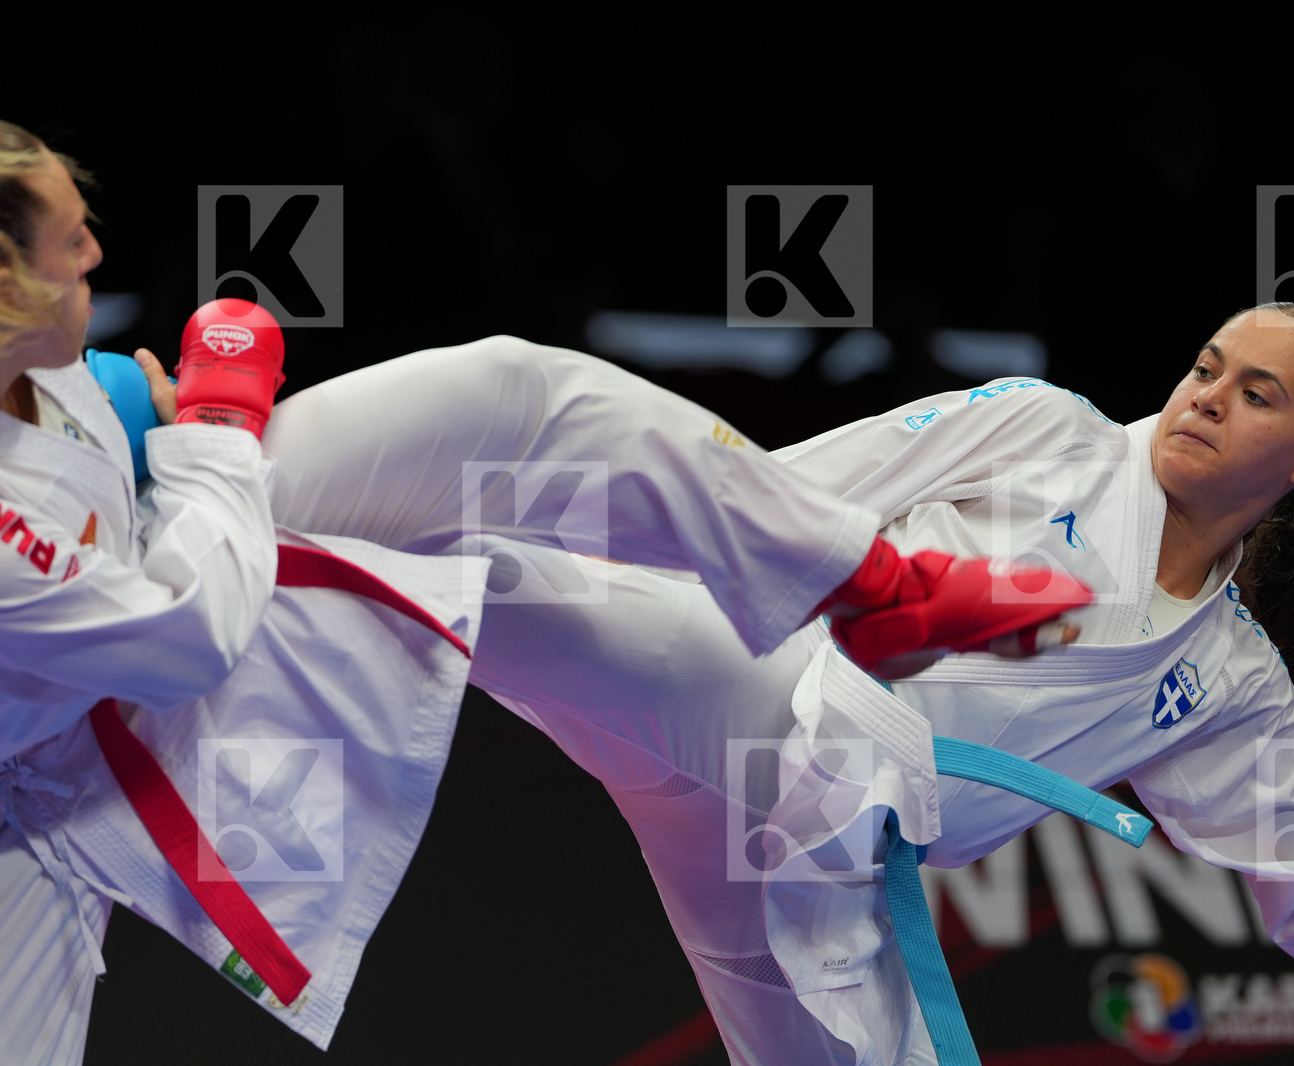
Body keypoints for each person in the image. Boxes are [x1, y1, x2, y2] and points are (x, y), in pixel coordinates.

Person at [0, 122, 1082, 1064]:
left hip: (173, 586)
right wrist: (219, 431)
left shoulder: (48, 367)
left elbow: (97, 440)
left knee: (512, 396)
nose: (98, 247)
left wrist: (144, 419)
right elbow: (187, 634)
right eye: (66, 238)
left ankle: (875, 581)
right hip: (81, 760)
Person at [455, 306, 1294, 1066]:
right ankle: (300, 519)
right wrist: (609, 543)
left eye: (1257, 392)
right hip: (755, 687)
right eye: (1204, 369)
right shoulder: (1046, 431)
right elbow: (774, 491)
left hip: (820, 867)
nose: (1207, 397)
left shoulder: (1226, 679)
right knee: (478, 586)